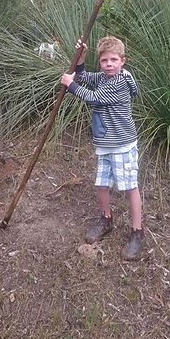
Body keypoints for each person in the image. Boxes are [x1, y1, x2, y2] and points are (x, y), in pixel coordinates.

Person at [61, 36, 144, 261]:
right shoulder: (105, 77)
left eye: (113, 60)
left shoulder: (119, 83)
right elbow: (85, 77)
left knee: (129, 188)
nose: (108, 64)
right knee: (101, 184)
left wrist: (70, 86)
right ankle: (106, 219)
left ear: (122, 61)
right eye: (104, 60)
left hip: (122, 146)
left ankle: (137, 232)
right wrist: (81, 57)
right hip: (105, 144)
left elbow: (92, 97)